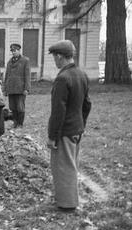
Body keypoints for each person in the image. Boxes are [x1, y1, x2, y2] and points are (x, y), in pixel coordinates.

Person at [47, 40, 91, 212]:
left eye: (55, 58)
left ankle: (67, 204)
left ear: (59, 56)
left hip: (64, 131)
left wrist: (52, 136)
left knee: (63, 167)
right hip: (76, 129)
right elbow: (87, 105)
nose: (55, 61)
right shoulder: (82, 74)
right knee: (72, 164)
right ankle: (68, 199)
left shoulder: (62, 78)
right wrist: (81, 124)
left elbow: (58, 112)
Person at [4, 43, 31, 128]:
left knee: (20, 107)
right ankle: (15, 122)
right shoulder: (9, 62)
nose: (13, 52)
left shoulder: (25, 61)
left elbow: (27, 75)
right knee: (12, 107)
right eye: (12, 51)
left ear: (19, 50)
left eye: (15, 50)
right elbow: (7, 76)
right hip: (11, 89)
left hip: (20, 89)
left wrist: (27, 88)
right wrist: (5, 89)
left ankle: (20, 123)